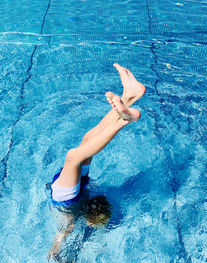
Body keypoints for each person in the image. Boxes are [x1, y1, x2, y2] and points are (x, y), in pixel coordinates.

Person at [48, 63, 146, 260]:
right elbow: (60, 235)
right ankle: (123, 119)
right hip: (65, 197)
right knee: (73, 156)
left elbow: (67, 233)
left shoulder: (82, 209)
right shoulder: (71, 218)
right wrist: (54, 252)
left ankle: (130, 95)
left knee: (87, 140)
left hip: (77, 189)